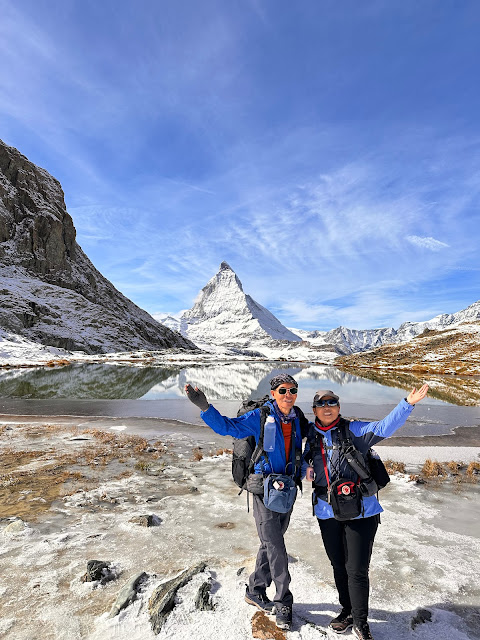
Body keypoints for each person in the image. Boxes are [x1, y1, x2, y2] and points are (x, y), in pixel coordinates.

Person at [185, 373, 308, 631]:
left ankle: (255, 589)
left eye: (293, 390)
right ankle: (284, 601)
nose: (289, 395)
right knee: (276, 546)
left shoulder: (298, 418)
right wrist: (205, 407)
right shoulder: (260, 417)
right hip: (263, 489)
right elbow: (228, 427)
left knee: (269, 542)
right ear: (273, 393)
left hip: (287, 489)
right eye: (283, 390)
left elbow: (311, 441)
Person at [305, 384, 429, 640]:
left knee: (356, 569)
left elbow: (384, 427)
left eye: (332, 403)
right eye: (321, 404)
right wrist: (302, 471)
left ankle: (361, 623)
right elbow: (300, 463)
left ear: (338, 407)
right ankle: (347, 610)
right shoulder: (311, 437)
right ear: (314, 410)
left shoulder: (355, 430)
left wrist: (407, 403)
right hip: (327, 512)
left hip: (362, 511)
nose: (327, 408)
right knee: (338, 565)